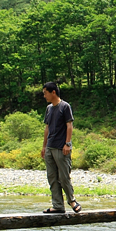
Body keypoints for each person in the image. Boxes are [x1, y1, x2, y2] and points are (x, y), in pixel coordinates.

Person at [40, 82, 81, 213]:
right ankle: (57, 205)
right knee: (52, 177)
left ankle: (72, 200)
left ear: (53, 92)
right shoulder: (49, 108)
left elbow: (69, 125)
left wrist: (67, 144)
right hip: (50, 147)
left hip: (61, 147)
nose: (44, 96)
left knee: (63, 177)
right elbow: (47, 128)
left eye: (45, 93)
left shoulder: (65, 106)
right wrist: (44, 146)